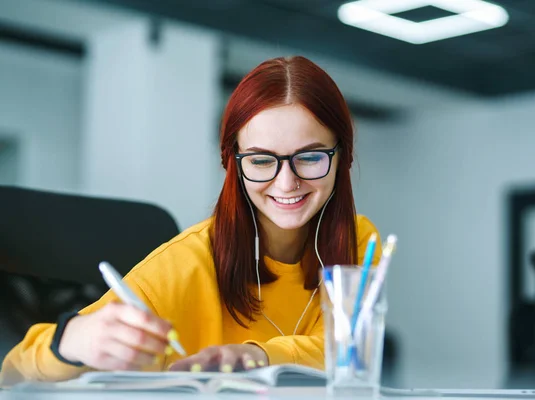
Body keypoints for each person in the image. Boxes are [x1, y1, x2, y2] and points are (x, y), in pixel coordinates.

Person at [0, 55, 382, 385]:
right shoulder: (187, 263)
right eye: (262, 160)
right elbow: (12, 373)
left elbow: (346, 351)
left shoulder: (359, 242)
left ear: (342, 157)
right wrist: (72, 343)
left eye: (311, 157)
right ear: (233, 164)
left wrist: (259, 358)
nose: (286, 182)